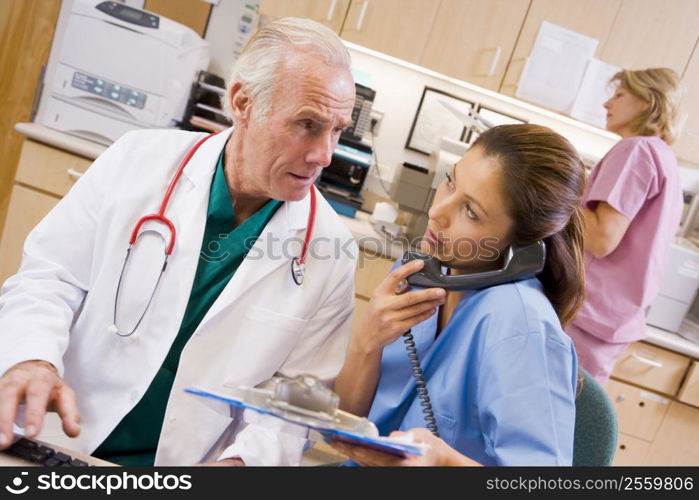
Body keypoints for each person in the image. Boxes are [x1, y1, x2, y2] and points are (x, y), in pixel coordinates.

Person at [0, 18, 358, 466]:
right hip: (53, 437)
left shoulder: (330, 252)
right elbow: (49, 279)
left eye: (338, 130)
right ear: (243, 102)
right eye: (307, 124)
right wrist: (31, 358)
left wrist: (244, 462)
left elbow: (296, 405)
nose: (324, 154)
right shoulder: (137, 161)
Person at [333, 124, 586, 466]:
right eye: (450, 181)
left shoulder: (519, 326)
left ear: (519, 247)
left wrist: (443, 464)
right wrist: (367, 341)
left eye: (470, 211)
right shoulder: (416, 273)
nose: (437, 212)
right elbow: (340, 428)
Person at [565, 68, 684, 384]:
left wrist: (557, 192)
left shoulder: (636, 150)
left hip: (588, 312)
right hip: (610, 317)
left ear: (647, 102)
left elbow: (602, 237)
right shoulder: (665, 158)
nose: (607, 104)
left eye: (619, 95)